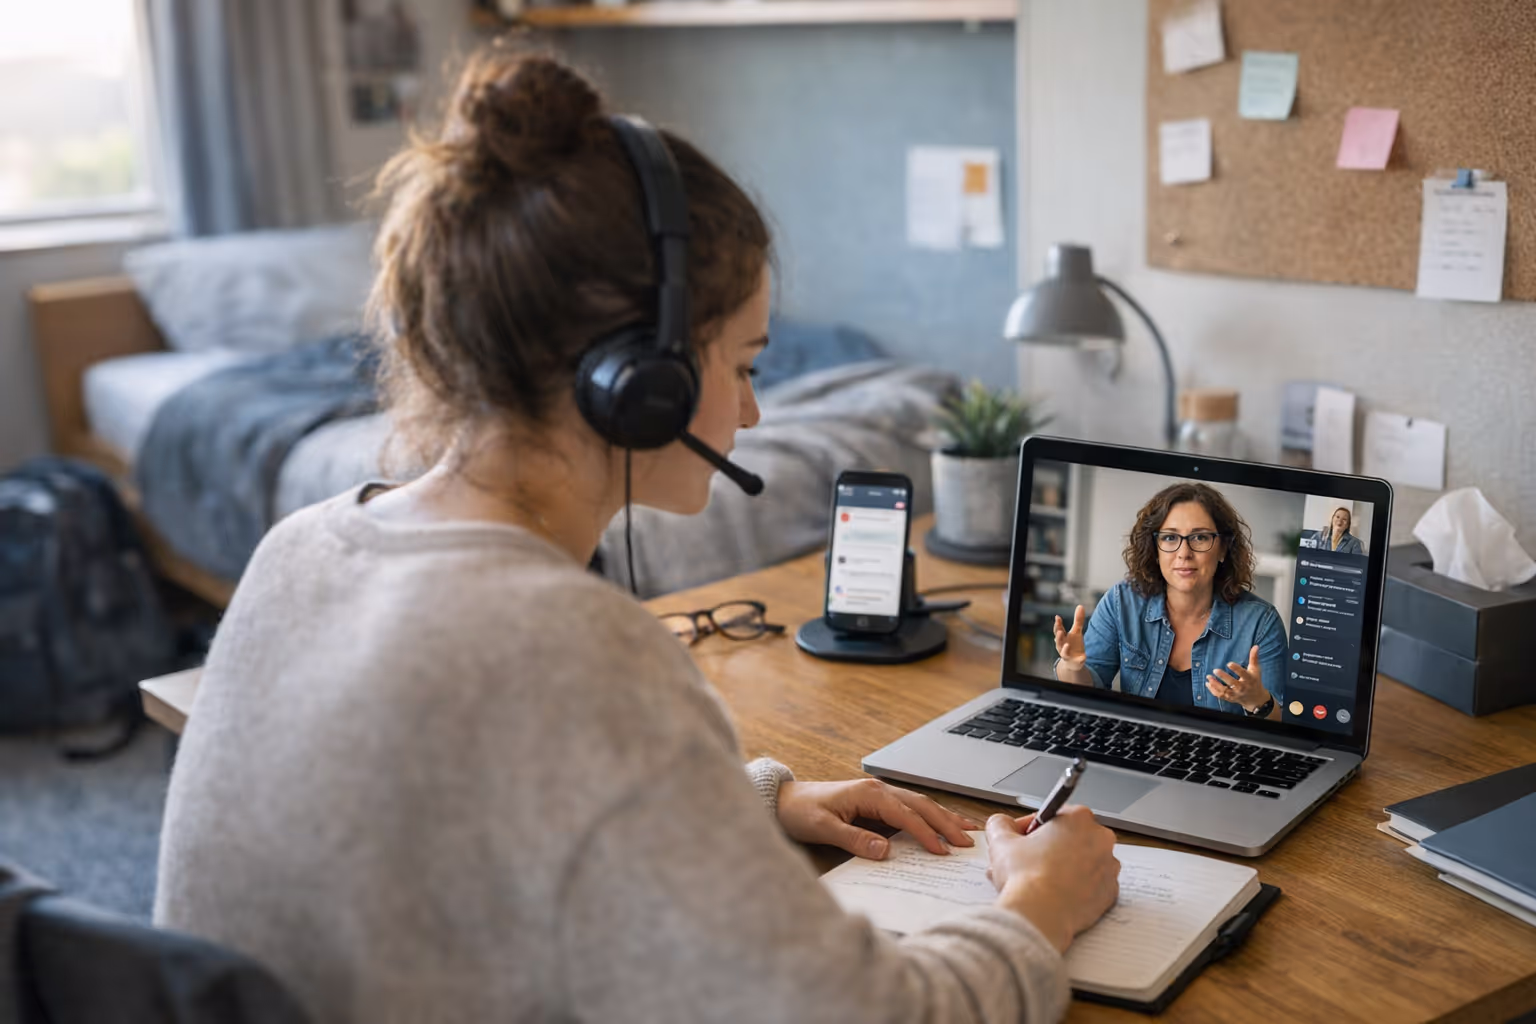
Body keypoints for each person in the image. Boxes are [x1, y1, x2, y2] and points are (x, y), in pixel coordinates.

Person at [154, 46, 1120, 1024]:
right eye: (742, 363)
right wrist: (1042, 900)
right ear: (633, 378)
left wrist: (752, 807)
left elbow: (465, 804)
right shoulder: (569, 643)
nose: (749, 412)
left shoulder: (302, 543)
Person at [1052, 482, 1287, 720]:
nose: (1184, 552)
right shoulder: (1121, 602)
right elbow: (1086, 690)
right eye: (1170, 538)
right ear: (1155, 549)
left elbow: (1282, 728)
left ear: (1223, 549)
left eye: (1200, 537)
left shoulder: (1261, 622)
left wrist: (1258, 702)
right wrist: (1072, 667)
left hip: (1218, 754)